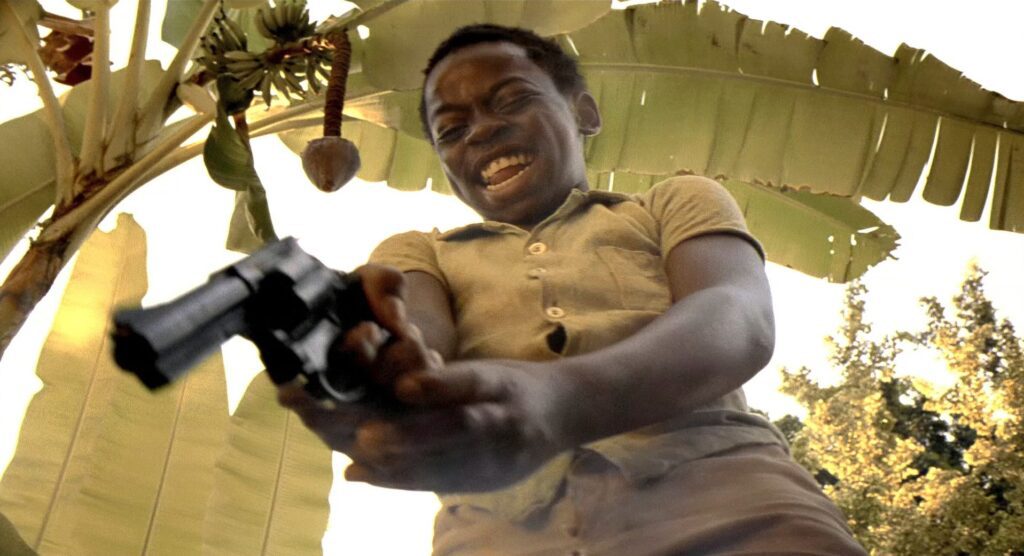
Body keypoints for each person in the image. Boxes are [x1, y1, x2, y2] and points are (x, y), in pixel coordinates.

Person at [279, 24, 867, 555]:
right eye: (452, 130)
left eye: (511, 100)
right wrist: (383, 371)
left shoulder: (674, 202)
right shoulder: (417, 251)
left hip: (729, 504)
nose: (482, 130)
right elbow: (419, 335)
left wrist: (560, 400)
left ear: (584, 112)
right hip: (497, 534)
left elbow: (734, 315)